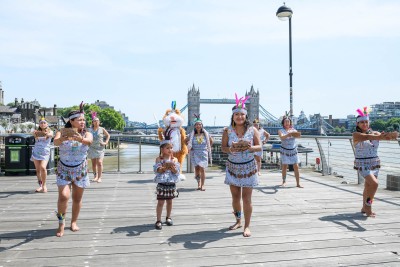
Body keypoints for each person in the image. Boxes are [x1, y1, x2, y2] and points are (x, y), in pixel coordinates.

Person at [221, 94, 261, 237]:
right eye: (236, 114)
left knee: (247, 198)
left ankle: (247, 225)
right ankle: (238, 220)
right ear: (232, 116)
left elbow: (260, 146)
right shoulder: (227, 131)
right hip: (233, 167)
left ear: (246, 116)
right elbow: (223, 148)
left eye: (242, 114)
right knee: (235, 197)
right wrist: (231, 149)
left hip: (248, 167)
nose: (239, 117)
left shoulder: (253, 130)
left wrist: (250, 148)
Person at [53, 102, 93, 237]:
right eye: (79, 120)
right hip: (64, 169)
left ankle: (74, 221)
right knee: (64, 196)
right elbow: (55, 142)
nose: (82, 122)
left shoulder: (87, 133)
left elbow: (89, 142)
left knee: (77, 197)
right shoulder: (61, 132)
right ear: (71, 121)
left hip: (80, 169)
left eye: (83, 120)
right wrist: (64, 137)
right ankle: (61, 224)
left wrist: (80, 138)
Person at [353, 107, 398, 217]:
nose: (364, 124)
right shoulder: (356, 135)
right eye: (362, 122)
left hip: (374, 163)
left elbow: (384, 137)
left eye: (366, 122)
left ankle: (364, 207)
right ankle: (368, 206)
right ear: (357, 124)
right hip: (362, 164)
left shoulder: (376, 133)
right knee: (375, 184)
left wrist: (391, 135)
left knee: (368, 186)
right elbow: (367, 136)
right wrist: (381, 136)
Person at [153, 137, 180, 230]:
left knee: (170, 201)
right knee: (160, 202)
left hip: (171, 183)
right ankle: (158, 220)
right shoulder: (158, 159)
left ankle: (168, 217)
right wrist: (164, 167)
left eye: (171, 148)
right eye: (167, 148)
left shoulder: (175, 159)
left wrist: (173, 168)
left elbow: (177, 172)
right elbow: (157, 170)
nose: (170, 150)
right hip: (162, 183)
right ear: (162, 149)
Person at [187, 114, 213, 191]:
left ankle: (203, 185)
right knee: (197, 169)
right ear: (195, 126)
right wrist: (189, 147)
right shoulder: (192, 134)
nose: (198, 126)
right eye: (197, 124)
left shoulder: (206, 134)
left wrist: (208, 148)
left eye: (200, 124)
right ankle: (198, 183)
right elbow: (185, 141)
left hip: (203, 153)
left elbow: (211, 141)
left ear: (202, 125)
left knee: (202, 169)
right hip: (194, 153)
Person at [278, 116, 302, 188]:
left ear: (290, 123)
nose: (287, 123)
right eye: (285, 121)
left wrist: (295, 134)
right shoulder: (280, 130)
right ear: (283, 123)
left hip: (293, 150)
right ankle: (284, 181)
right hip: (285, 150)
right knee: (285, 166)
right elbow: (282, 137)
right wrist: (289, 134)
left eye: (288, 121)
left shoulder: (294, 130)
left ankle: (298, 183)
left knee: (296, 166)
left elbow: (298, 136)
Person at [31, 117, 54, 193]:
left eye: (44, 123)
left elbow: (50, 135)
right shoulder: (36, 131)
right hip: (36, 151)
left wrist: (45, 133)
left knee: (43, 168)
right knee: (38, 170)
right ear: (39, 124)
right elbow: (34, 136)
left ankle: (44, 185)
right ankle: (40, 185)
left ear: (47, 124)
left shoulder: (50, 131)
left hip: (45, 152)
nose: (43, 124)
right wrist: (35, 134)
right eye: (41, 123)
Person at [88, 112, 110, 183]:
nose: (96, 122)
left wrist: (106, 142)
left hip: (100, 148)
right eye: (95, 121)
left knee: (99, 162)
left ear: (99, 122)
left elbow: (108, 135)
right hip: (92, 148)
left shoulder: (102, 129)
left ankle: (100, 177)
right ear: (93, 122)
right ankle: (95, 177)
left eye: (97, 121)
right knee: (94, 163)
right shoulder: (89, 129)